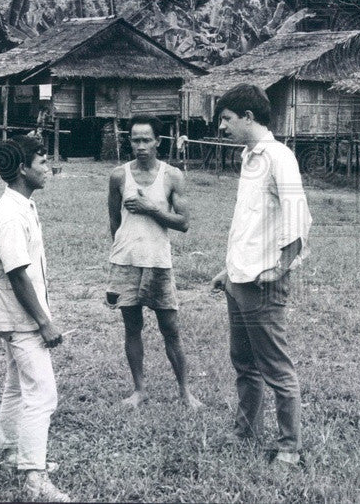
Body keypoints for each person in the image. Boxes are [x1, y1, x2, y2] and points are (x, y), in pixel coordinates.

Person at [209, 83, 312, 472]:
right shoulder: (248, 158)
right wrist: (229, 269)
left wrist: (280, 268)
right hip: (239, 278)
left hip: (263, 282)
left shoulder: (278, 157)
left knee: (276, 369)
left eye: (227, 119)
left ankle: (289, 448)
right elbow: (250, 222)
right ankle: (246, 431)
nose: (222, 126)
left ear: (248, 118)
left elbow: (296, 215)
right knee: (243, 362)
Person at [0, 135, 70, 503]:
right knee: (42, 394)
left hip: (19, 315)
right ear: (21, 169)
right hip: (21, 318)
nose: (48, 169)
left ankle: (11, 449)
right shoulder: (10, 215)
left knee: (17, 385)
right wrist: (43, 321)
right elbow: (18, 274)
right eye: (42, 162)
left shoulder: (22, 205)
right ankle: (34, 476)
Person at [106, 115, 201, 409]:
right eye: (136, 140)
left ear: (158, 142)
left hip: (158, 262)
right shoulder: (119, 176)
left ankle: (185, 392)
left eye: (147, 140)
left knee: (170, 328)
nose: (141, 146)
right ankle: (139, 390)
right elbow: (114, 219)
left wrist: (151, 208)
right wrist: (123, 250)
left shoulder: (172, 176)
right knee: (131, 326)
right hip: (126, 262)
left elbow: (184, 223)